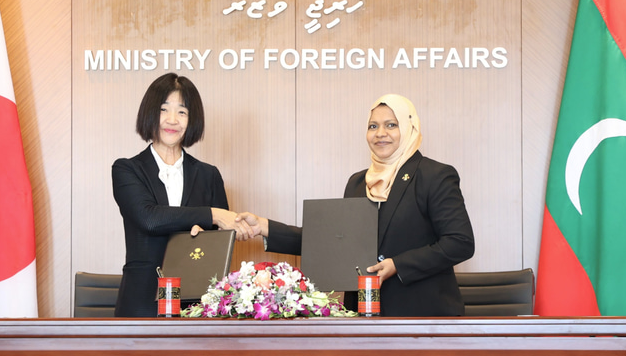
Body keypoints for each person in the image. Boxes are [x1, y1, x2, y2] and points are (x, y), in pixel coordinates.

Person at [238, 94, 474, 316]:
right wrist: (264, 227)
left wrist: (398, 265)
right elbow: (334, 242)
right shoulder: (358, 182)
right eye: (373, 126)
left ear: (409, 128)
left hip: (423, 316)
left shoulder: (434, 176)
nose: (380, 133)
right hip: (363, 315)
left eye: (391, 125)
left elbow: (460, 242)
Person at [112, 73, 250, 317]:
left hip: (197, 303)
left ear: (192, 119)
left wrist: (206, 231)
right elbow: (149, 218)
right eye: (163, 110)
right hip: (141, 303)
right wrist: (212, 215)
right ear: (149, 113)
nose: (172, 120)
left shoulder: (209, 175)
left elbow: (219, 246)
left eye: (182, 112)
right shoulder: (127, 169)